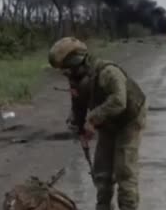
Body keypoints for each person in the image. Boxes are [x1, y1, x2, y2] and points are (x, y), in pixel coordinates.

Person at [48, 37, 147, 210]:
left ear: (77, 62)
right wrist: (79, 126)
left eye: (67, 68)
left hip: (129, 119)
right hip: (108, 122)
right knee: (102, 171)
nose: (65, 73)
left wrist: (92, 119)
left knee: (124, 170)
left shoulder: (107, 72)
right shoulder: (76, 77)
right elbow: (78, 104)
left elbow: (119, 101)